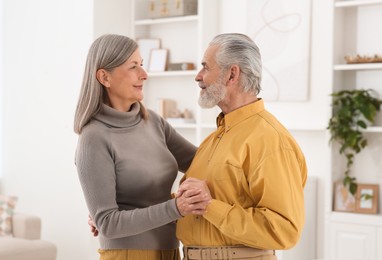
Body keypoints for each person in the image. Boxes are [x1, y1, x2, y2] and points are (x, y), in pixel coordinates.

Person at [74, 34, 210, 260]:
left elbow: (205, 163)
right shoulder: (94, 137)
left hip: (171, 250)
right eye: (133, 67)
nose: (144, 75)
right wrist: (176, 208)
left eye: (143, 65)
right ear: (104, 77)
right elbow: (108, 224)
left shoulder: (154, 122)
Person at [175, 33, 308, 260]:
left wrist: (209, 206)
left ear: (232, 74)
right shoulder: (215, 138)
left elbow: (284, 231)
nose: (198, 76)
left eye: (206, 67)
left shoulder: (270, 140)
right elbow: (195, 203)